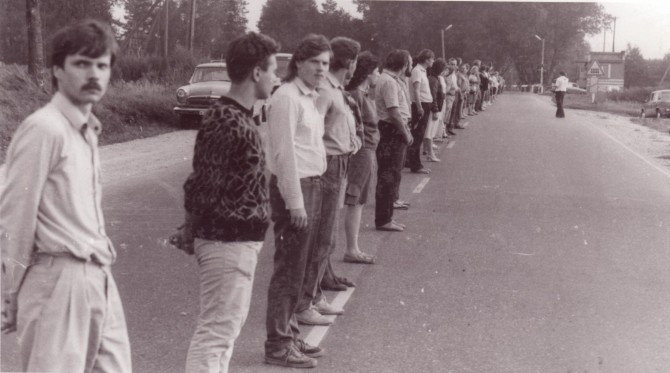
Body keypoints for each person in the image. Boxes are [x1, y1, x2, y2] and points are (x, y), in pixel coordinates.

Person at [0, 20, 131, 373]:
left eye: (102, 65)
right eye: (81, 63)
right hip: (56, 280)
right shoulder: (44, 129)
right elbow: (15, 216)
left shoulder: (86, 131)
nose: (94, 74)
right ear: (57, 69)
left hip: (98, 276)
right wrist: (9, 293)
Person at [181, 32, 279, 373]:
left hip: (237, 241)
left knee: (225, 330)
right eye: (272, 70)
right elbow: (202, 185)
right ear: (255, 72)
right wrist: (190, 229)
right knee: (216, 333)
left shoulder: (239, 115)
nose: (275, 78)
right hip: (226, 242)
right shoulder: (226, 118)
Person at [264, 34, 331, 369]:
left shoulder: (309, 97)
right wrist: (295, 203)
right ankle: (277, 345)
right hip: (297, 190)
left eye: (325, 63)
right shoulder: (287, 98)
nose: (321, 69)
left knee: (300, 267)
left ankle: (289, 333)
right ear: (299, 63)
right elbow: (284, 154)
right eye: (315, 62)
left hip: (312, 185)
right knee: (289, 269)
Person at [296, 36, 361, 326]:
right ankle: (304, 303)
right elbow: (312, 133)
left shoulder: (336, 90)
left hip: (339, 162)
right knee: (321, 238)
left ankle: (315, 295)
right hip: (327, 167)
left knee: (326, 238)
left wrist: (351, 141)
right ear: (349, 62)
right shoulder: (325, 91)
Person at [343, 51, 381, 264]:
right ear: (367, 74)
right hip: (362, 151)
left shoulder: (364, 94)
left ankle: (353, 247)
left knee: (360, 199)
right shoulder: (357, 95)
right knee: (356, 199)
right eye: (376, 72)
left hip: (368, 149)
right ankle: (351, 249)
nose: (378, 75)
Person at [375, 50, 413, 232]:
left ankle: (387, 215)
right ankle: (384, 219)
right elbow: (394, 112)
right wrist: (405, 132)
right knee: (389, 175)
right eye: (409, 63)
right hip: (392, 130)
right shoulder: (389, 81)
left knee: (392, 174)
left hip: (393, 129)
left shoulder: (390, 79)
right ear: (403, 64)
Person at [407, 49, 435, 174]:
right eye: (431, 59)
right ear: (426, 59)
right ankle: (416, 165)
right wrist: (419, 107)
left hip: (425, 103)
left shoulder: (423, 71)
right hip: (421, 104)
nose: (433, 61)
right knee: (417, 136)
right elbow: (416, 90)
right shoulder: (417, 71)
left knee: (419, 135)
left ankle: (412, 161)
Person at [424, 58, 447, 162]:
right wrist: (435, 110)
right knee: (429, 132)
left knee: (430, 131)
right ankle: (430, 154)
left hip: (435, 107)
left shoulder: (435, 78)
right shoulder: (433, 79)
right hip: (433, 109)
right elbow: (433, 96)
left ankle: (427, 151)